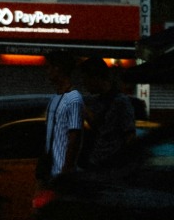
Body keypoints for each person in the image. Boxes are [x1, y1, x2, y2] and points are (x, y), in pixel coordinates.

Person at [77, 57, 136, 170]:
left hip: (112, 166)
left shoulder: (121, 102)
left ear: (96, 78)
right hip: (97, 163)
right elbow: (100, 127)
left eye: (86, 79)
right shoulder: (99, 101)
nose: (84, 84)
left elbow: (130, 136)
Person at [39, 50, 83, 184]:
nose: (47, 72)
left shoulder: (74, 99)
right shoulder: (54, 98)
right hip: (49, 171)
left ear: (58, 68)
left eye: (49, 67)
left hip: (60, 173)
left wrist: (66, 169)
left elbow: (74, 136)